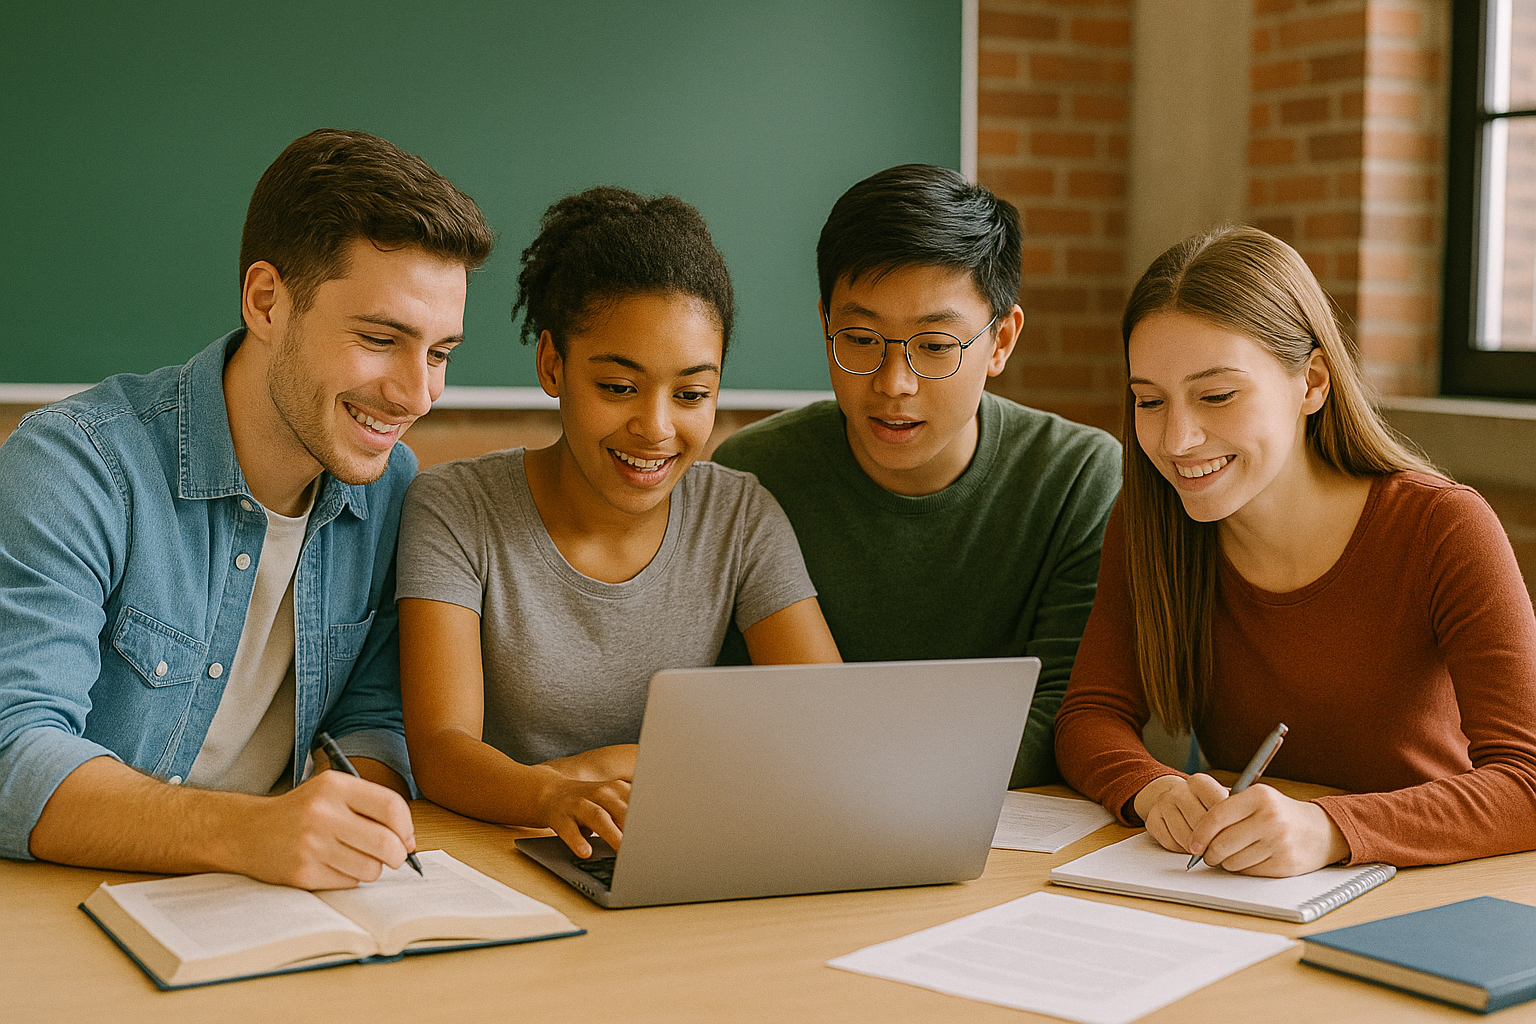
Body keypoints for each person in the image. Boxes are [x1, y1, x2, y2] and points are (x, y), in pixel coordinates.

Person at [0, 129, 494, 888]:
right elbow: (13, 750)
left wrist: (345, 822)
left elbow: (373, 720)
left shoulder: (392, 487)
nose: (416, 394)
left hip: (272, 908)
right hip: (75, 906)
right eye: (378, 338)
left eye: (438, 353)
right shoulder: (76, 465)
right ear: (267, 302)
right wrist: (253, 832)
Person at [1054, 225, 1536, 876]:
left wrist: (1329, 829)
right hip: (1255, 889)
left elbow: (1527, 781)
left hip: (1425, 885)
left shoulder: (1442, 528)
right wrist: (1153, 788)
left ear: (1311, 382)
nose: (1177, 438)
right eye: (1148, 400)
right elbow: (1091, 714)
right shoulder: (1150, 526)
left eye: (1217, 395)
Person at [396, 187, 840, 858]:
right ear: (553, 364)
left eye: (692, 394)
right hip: (500, 849)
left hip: (669, 845)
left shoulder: (740, 516)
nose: (657, 427)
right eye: (618, 387)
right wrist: (554, 796)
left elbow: (826, 724)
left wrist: (608, 766)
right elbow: (441, 751)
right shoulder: (455, 509)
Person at [710, 165, 1120, 787]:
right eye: (860, 338)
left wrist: (874, 776)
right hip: (799, 815)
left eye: (934, 346)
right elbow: (732, 707)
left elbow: (1064, 718)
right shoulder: (753, 474)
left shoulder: (1076, 477)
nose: (893, 384)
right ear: (825, 325)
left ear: (1002, 340)